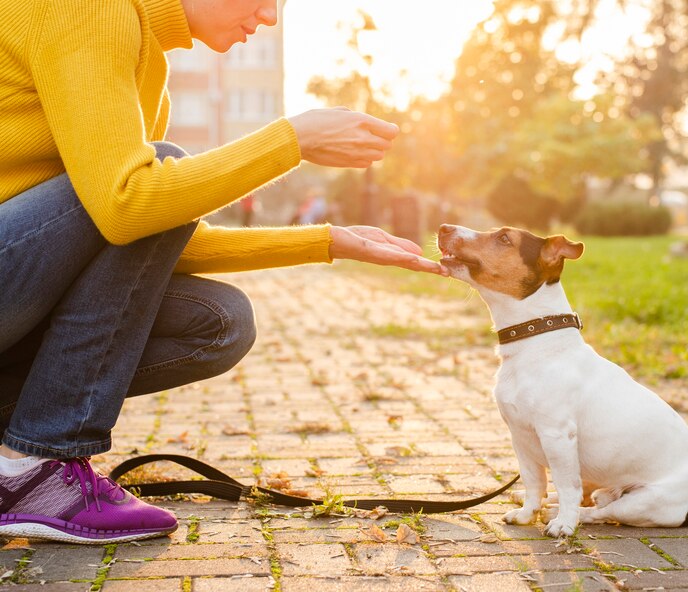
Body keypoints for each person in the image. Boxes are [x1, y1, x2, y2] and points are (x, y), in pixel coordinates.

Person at [0, 0, 446, 544]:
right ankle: (35, 467)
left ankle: (13, 456)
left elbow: (146, 238)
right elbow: (129, 207)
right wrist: (292, 139)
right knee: (163, 169)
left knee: (218, 319)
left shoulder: (145, 63)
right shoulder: (89, 9)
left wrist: (331, 242)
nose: (269, 17)